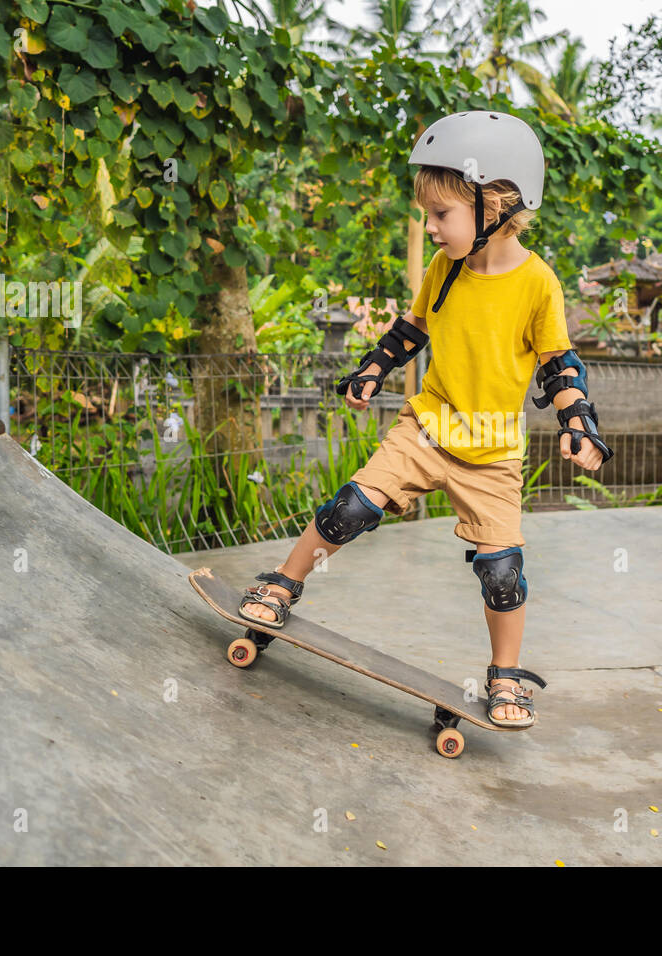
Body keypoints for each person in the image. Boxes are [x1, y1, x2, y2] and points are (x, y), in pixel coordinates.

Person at [239, 110, 613, 728]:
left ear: (496, 204)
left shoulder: (538, 283)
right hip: (428, 428)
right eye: (429, 215)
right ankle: (282, 582)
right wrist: (371, 369)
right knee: (350, 507)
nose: (431, 227)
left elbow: (559, 365)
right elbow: (413, 327)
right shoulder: (445, 269)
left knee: (502, 571)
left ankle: (506, 677)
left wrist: (579, 425)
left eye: (442, 214)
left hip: (493, 452)